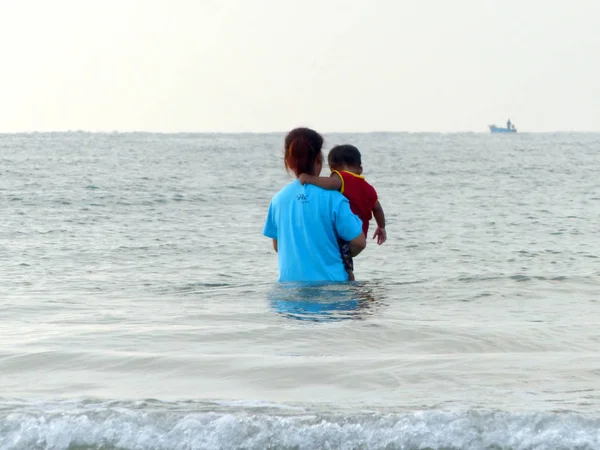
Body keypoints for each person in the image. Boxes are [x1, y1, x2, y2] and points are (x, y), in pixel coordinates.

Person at [263, 128, 366, 282]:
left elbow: (278, 247)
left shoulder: (278, 200)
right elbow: (359, 242)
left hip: (289, 295)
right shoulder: (334, 198)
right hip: (332, 291)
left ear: (288, 162)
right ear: (319, 159)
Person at [299, 144, 386, 281]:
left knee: (341, 264)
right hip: (359, 236)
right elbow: (378, 209)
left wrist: (310, 179)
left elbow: (332, 183)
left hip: (345, 237)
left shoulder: (341, 177)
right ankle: (350, 276)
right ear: (360, 169)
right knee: (346, 262)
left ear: (333, 170)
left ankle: (348, 277)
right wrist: (381, 227)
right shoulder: (369, 188)